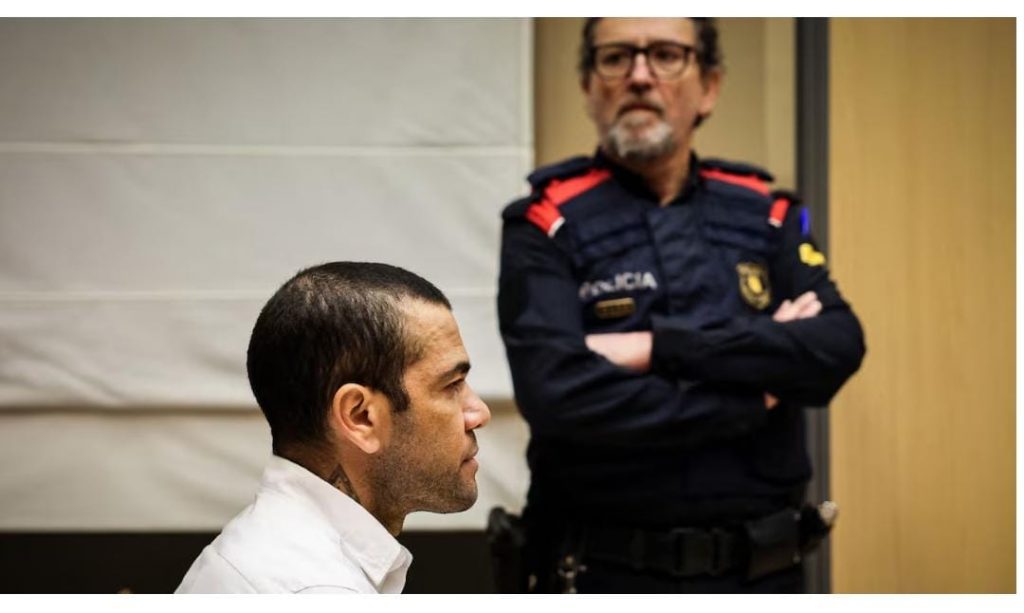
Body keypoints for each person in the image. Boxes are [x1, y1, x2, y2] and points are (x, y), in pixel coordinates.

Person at [496, 17, 865, 593]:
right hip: (601, 573)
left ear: (709, 86)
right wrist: (755, 393)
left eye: (667, 55)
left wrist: (656, 346)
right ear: (589, 87)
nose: (640, 75)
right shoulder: (544, 222)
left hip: (764, 576)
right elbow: (556, 394)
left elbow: (836, 346)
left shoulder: (770, 215)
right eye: (616, 57)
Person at [177, 262, 491, 593]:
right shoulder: (314, 589)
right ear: (360, 417)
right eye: (451, 385)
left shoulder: (270, 556)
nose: (479, 413)